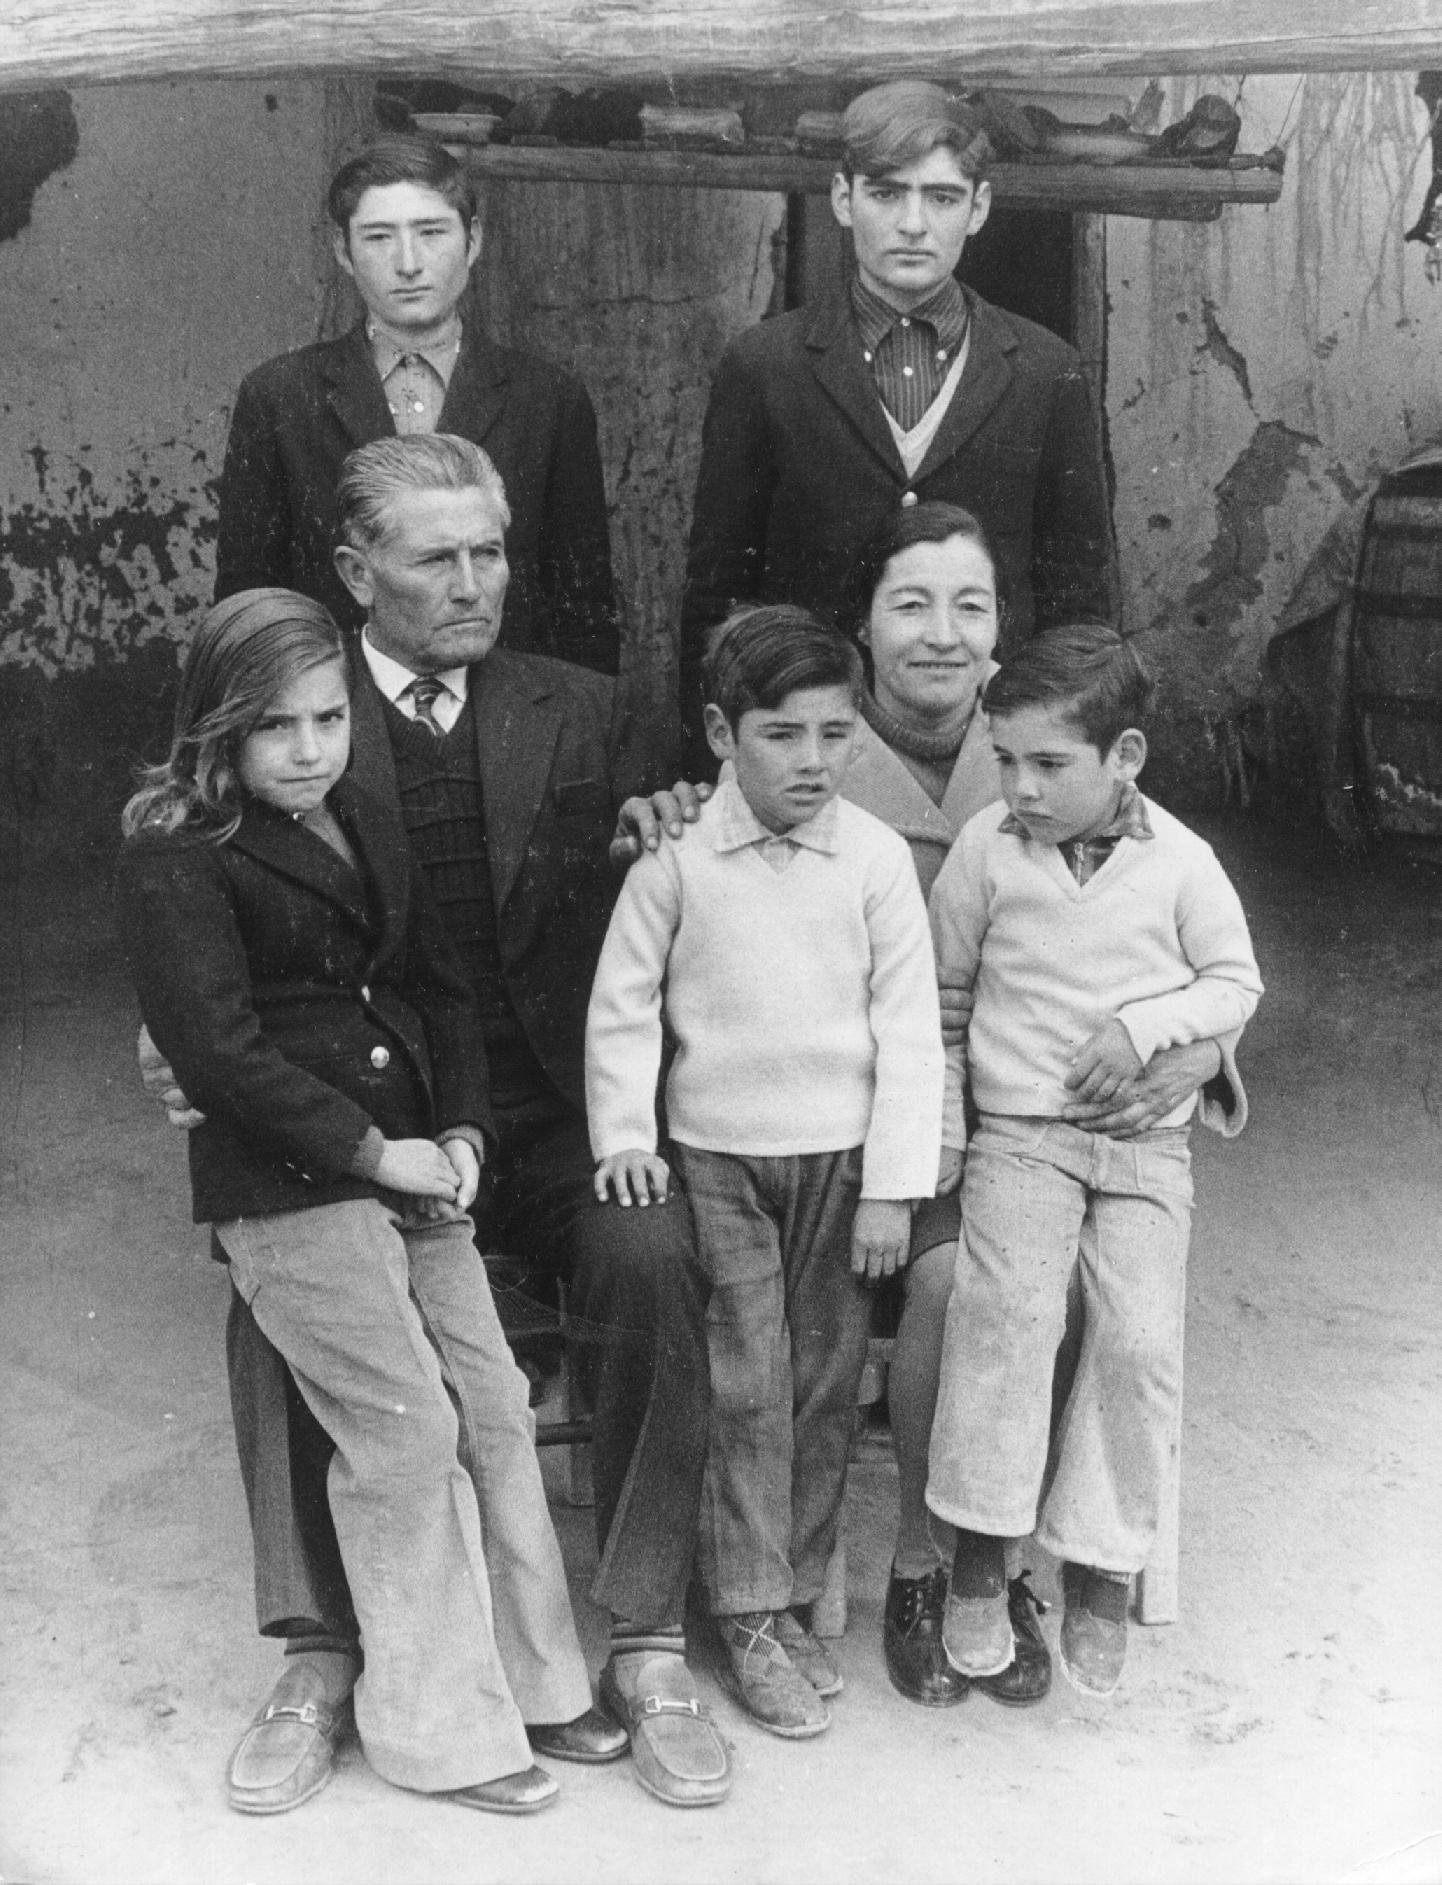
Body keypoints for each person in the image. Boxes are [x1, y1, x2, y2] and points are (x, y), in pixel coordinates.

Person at [146, 435, 729, 1812]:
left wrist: (674, 831)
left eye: (492, 551)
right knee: (287, 1300)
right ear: (355, 570)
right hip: (355, 1118)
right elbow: (203, 936)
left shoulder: (585, 709)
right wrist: (179, 1053)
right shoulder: (289, 704)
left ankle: (639, 1634)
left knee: (652, 1257)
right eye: (435, 557)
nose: (475, 583)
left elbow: (687, 884)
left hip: (556, 1107)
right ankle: (323, 1647)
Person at [619, 503, 1243, 1712]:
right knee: (960, 1284)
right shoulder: (802, 752)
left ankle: (985, 1556)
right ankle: (935, 1559)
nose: (941, 635)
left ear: (1003, 630)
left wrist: (1195, 1043)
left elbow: (1194, 958)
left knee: (1054, 1289)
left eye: (970, 605)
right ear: (861, 626)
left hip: (1014, 1117)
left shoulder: (1043, 749)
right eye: (910, 603)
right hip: (851, 1126)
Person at [116, 589, 613, 1814]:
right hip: (291, 1180)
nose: (311, 747)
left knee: (492, 1402)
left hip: (410, 1159)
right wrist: (370, 1153)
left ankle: (543, 1683)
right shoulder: (178, 853)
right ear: (215, 731)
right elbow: (219, 1049)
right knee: (402, 1432)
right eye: (275, 726)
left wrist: (461, 1124)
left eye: (330, 717)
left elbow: (443, 983)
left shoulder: (361, 814)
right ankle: (439, 1731)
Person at [586, 606, 944, 1740]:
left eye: (835, 734)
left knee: (826, 1382)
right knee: (745, 1379)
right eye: (780, 734)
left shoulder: (875, 858)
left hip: (840, 1164)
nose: (812, 762)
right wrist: (623, 1140)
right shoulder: (677, 862)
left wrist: (892, 1184)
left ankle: (790, 1592)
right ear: (717, 731)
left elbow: (908, 1028)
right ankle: (742, 1613)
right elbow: (622, 1010)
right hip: (715, 1162)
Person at [927, 624, 1263, 1698]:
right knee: (1008, 1313)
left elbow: (1233, 983)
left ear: (1123, 755)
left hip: (1143, 1152)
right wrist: (945, 1130)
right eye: (1005, 760)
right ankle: (980, 1556)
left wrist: (1150, 1028)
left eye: (1048, 764)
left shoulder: (1181, 862)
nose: (1019, 787)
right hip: (1021, 1138)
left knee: (1136, 1336)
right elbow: (941, 1000)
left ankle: (1102, 1565)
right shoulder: (985, 850)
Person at [678, 78, 1115, 771]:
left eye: (940, 197)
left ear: (979, 208)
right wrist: (712, 776)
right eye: (887, 193)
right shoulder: (765, 364)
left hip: (994, 754)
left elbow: (1081, 596)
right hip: (813, 753)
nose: (913, 223)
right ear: (844, 198)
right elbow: (718, 590)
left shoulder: (1043, 368)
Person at [215, 133, 619, 674]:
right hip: (338, 709)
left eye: (432, 233)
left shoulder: (546, 398)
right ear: (343, 250)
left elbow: (582, 606)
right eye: (379, 237)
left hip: (506, 715)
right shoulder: (281, 395)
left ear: (473, 240)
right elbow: (247, 604)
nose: (408, 263)